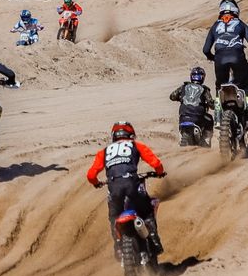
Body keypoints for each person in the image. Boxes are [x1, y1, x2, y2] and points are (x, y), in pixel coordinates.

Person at [86, 122, 167, 254]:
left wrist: (96, 183)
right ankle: (154, 239)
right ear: (131, 134)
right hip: (132, 184)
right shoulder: (136, 145)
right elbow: (156, 163)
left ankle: (118, 247)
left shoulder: (104, 151)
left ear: (114, 136)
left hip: (114, 187)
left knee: (114, 216)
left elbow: (90, 175)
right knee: (147, 210)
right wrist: (159, 172)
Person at [202, 0, 248, 122]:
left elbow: (206, 50)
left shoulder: (215, 26)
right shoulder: (241, 24)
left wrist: (213, 58)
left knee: (220, 87)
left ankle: (218, 117)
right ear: (236, 10)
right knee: (246, 85)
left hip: (220, 60)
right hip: (237, 57)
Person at [169, 66, 213, 145]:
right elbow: (212, 104)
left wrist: (181, 98)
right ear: (203, 78)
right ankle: (206, 140)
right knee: (210, 119)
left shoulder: (184, 86)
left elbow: (172, 96)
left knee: (180, 119)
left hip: (184, 115)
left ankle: (180, 139)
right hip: (198, 116)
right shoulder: (205, 89)